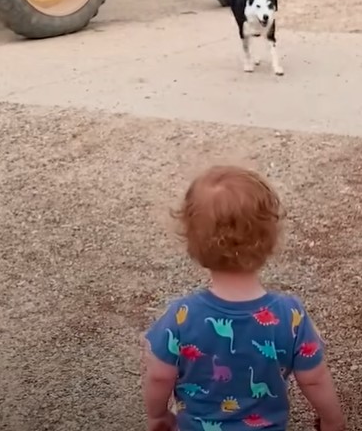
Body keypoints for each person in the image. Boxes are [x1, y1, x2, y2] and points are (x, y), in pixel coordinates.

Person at [140, 165, 345, 431]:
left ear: (193, 242)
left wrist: (157, 416)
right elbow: (315, 378)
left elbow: (158, 377)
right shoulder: (290, 315)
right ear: (269, 239)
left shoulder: (181, 316)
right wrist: (333, 420)